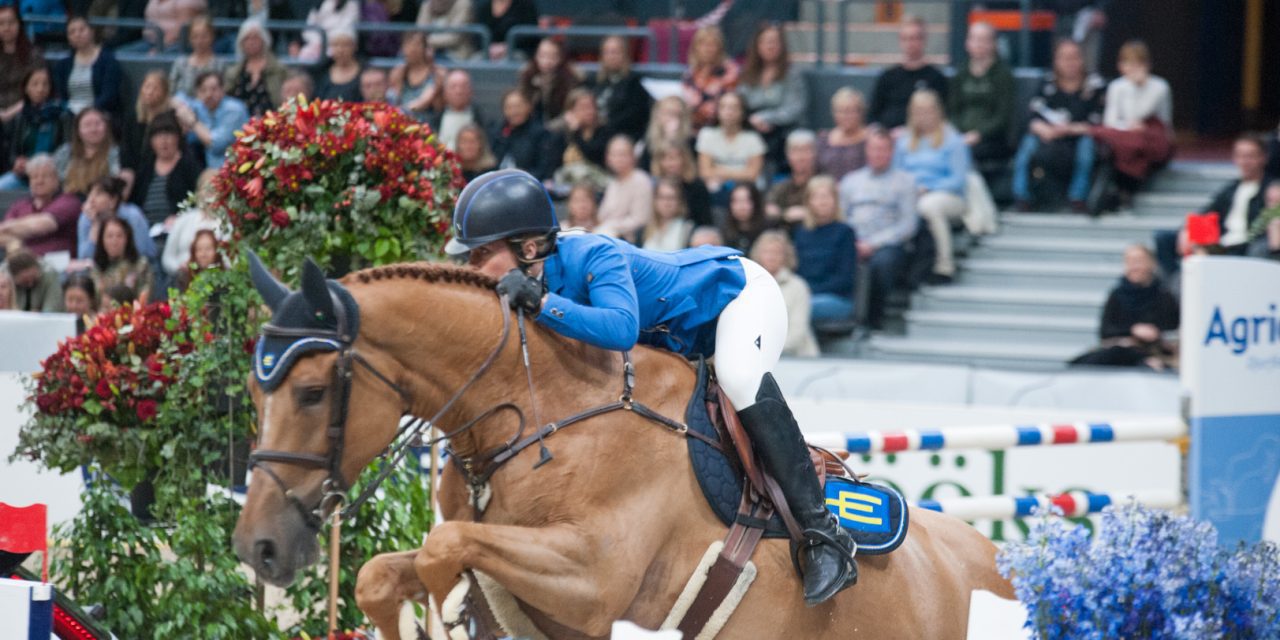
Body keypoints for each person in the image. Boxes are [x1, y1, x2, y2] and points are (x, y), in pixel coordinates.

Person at [445, 169, 859, 606]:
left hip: (738, 298)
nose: (472, 267)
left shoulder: (593, 254)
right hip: (682, 344)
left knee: (739, 376)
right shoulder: (532, 280)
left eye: (480, 254)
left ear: (527, 248)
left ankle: (824, 536)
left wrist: (542, 303)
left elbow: (622, 329)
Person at [1011, 38, 1106, 212]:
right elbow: (1032, 115)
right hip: (1049, 137)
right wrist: (1042, 128)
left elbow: (1099, 122)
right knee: (1028, 143)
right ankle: (1022, 196)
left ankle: (1078, 198)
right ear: (1056, 61)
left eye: (1074, 57)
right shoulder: (1048, 83)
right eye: (1064, 58)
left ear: (1082, 59)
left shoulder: (1095, 85)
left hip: (1078, 137)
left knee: (1087, 147)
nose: (1069, 63)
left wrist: (1069, 129)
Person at [839, 130, 918, 330]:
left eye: (883, 149)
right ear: (867, 150)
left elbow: (908, 225)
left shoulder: (906, 182)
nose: (878, 154)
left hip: (887, 244)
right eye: (874, 149)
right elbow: (841, 216)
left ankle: (872, 321)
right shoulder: (851, 181)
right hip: (852, 241)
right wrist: (852, 242)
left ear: (892, 151)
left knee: (882, 264)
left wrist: (873, 244)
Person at [894, 90, 970, 285]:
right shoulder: (904, 140)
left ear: (938, 112)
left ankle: (945, 266)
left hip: (949, 197)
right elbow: (896, 174)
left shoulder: (953, 140)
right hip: (910, 194)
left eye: (928, 111)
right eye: (919, 111)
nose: (924, 116)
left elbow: (958, 179)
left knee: (929, 206)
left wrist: (928, 188)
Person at [1070, 244, 1178, 370]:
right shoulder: (1117, 294)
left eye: (1138, 261)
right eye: (1129, 262)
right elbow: (1106, 331)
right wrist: (1132, 330)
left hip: (1152, 352)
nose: (1134, 267)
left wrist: (1154, 334)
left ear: (1152, 264)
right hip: (1119, 351)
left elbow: (1172, 331)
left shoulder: (1163, 295)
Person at [1092, 40, 1174, 199]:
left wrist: (1140, 87)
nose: (1133, 68)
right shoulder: (1117, 87)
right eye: (1128, 62)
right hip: (1124, 133)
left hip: (1149, 134)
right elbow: (1111, 121)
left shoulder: (1160, 87)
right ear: (1120, 65)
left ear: (1147, 64)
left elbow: (1164, 121)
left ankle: (1126, 189)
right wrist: (1129, 125)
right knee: (1120, 139)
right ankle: (1121, 190)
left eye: (1138, 63)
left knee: (1143, 141)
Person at [1181, 136, 1273, 256]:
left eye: (1250, 156)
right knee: (1165, 239)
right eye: (1240, 156)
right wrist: (1186, 230)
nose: (1245, 162)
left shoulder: (1271, 189)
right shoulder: (1231, 189)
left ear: (1263, 158)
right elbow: (1206, 212)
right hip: (1223, 243)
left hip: (1248, 245)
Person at [738, 24, 807, 172]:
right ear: (757, 45)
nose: (770, 46)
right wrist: (751, 120)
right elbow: (741, 102)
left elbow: (794, 108)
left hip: (782, 129)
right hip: (752, 126)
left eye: (774, 42)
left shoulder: (792, 74)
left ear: (782, 45)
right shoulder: (748, 73)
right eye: (765, 42)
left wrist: (767, 118)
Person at [949, 22, 1015, 170]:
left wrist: (979, 134)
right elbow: (952, 110)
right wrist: (959, 133)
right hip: (960, 136)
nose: (979, 44)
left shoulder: (1003, 75)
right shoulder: (961, 73)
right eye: (974, 39)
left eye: (984, 40)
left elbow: (1003, 116)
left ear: (993, 44)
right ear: (967, 43)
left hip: (993, 139)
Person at [792, 176, 857, 325]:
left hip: (836, 298)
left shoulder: (845, 232)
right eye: (816, 197)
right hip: (803, 295)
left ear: (835, 200)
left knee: (799, 307)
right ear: (808, 202)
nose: (822, 201)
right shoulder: (801, 232)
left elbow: (845, 278)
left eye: (827, 196)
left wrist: (808, 291)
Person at [868, 15, 948, 130]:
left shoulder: (936, 78)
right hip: (889, 141)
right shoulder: (887, 77)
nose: (910, 44)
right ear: (900, 41)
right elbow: (873, 116)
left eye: (914, 38)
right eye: (906, 38)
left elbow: (942, 117)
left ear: (924, 40)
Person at [750, 230, 819, 357]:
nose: (771, 257)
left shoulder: (798, 286)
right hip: (755, 358)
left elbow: (798, 331)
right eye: (767, 252)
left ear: (786, 256)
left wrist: (766, 351)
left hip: (795, 357)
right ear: (758, 255)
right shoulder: (748, 285)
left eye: (777, 252)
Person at [0, 67, 70, 190]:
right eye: (35, 84)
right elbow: (13, 152)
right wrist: (17, 162)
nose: (40, 89)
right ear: (26, 88)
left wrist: (44, 166)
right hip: (24, 175)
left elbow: (67, 150)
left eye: (45, 84)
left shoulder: (63, 115)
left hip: (54, 175)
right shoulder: (21, 117)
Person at [0, 155, 81, 256]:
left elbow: (42, 224)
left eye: (45, 176)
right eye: (34, 177)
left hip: (56, 264)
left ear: (56, 179)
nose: (39, 181)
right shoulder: (19, 205)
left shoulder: (68, 201)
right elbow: (2, 234)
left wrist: (8, 228)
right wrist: (15, 245)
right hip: (21, 265)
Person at [131, 113, 201, 228]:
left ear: (178, 137)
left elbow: (197, 200)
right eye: (158, 135)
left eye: (168, 134)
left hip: (179, 228)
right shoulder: (145, 169)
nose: (164, 141)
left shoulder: (189, 166)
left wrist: (180, 218)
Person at [696, 92, 765, 202]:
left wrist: (719, 171)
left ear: (742, 112)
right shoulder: (707, 134)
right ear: (718, 110)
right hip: (716, 187)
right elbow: (705, 172)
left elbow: (753, 174)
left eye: (734, 107)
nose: (729, 112)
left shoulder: (753, 138)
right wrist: (741, 172)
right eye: (724, 107)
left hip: (746, 187)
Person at [53, 16, 123, 118]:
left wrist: (88, 112)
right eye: (72, 32)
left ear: (92, 32)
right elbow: (62, 95)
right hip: (71, 114)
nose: (77, 34)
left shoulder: (108, 60)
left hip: (100, 113)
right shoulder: (63, 65)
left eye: (82, 30)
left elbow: (109, 95)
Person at [175, 71, 249, 169]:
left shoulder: (234, 109)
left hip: (236, 167)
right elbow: (175, 100)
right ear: (197, 93)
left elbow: (216, 144)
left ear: (223, 90)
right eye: (203, 90)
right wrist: (182, 113)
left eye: (214, 89)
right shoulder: (200, 106)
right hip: (210, 167)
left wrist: (193, 122)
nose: (208, 94)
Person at [77, 175, 157, 261]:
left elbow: (140, 252)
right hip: (103, 270)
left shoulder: (132, 216)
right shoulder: (86, 218)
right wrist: (95, 225)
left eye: (98, 194)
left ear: (113, 200)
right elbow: (84, 257)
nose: (90, 200)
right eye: (90, 194)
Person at [587, 35, 651, 141]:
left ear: (625, 55)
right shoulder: (592, 81)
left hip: (622, 138)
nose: (611, 56)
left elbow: (632, 118)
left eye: (615, 52)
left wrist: (601, 124)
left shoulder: (636, 84)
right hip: (594, 134)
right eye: (607, 52)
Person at [546, 88, 610, 190]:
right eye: (583, 108)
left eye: (592, 107)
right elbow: (552, 164)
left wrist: (576, 133)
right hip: (566, 185)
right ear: (570, 112)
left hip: (597, 184)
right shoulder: (559, 132)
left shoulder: (604, 131)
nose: (589, 111)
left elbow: (594, 156)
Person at [223, 19, 286, 118]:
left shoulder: (279, 69)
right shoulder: (233, 72)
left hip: (271, 122)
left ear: (264, 40)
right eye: (247, 38)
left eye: (255, 38)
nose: (251, 42)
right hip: (238, 123)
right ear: (241, 43)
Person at [53, 107, 122, 196]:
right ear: (78, 131)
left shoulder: (115, 153)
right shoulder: (65, 152)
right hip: (66, 201)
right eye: (87, 125)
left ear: (106, 127)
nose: (93, 129)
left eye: (98, 124)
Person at [595, 135, 652, 242]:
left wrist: (610, 226)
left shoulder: (641, 180)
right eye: (614, 155)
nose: (618, 159)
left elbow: (640, 219)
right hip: (605, 231)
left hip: (628, 238)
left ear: (632, 156)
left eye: (622, 154)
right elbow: (601, 216)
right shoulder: (612, 182)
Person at [682, 26, 739, 129]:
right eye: (703, 44)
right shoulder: (690, 73)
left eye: (712, 44)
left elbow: (727, 105)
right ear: (695, 48)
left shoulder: (730, 71)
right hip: (692, 127)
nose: (707, 49)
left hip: (719, 128)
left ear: (720, 48)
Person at [489, 88, 551, 180]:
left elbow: (543, 169)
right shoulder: (497, 132)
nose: (514, 112)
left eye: (518, 106)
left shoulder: (541, 134)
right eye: (509, 107)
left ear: (528, 107)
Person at [121, 71, 177, 173]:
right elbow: (126, 149)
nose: (150, 92)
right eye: (147, 87)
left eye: (155, 88)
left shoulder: (171, 119)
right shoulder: (133, 116)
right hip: (133, 171)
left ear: (164, 92)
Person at [516, 38, 580, 123]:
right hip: (531, 128)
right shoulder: (527, 76)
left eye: (552, 56)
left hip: (559, 127)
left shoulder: (570, 79)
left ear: (560, 58)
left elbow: (569, 112)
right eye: (542, 55)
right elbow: (522, 104)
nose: (547, 61)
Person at [92, 215, 152, 302]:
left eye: (119, 236)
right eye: (109, 236)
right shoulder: (96, 269)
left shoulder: (140, 265)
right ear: (102, 240)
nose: (114, 241)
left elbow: (144, 297)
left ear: (127, 239)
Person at [766, 129, 819, 227]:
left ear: (815, 154)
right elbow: (769, 209)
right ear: (788, 155)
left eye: (806, 150)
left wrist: (809, 213)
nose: (800, 157)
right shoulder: (781, 186)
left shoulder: (823, 184)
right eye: (795, 151)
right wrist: (786, 214)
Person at [652, 144, 713, 228]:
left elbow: (704, 221)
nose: (669, 164)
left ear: (684, 160)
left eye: (674, 158)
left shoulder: (697, 186)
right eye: (664, 159)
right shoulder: (653, 185)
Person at [815, 88, 869, 180]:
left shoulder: (870, 138)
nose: (845, 116)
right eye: (840, 111)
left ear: (861, 112)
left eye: (851, 111)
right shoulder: (823, 137)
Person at [388, 32, 445, 118]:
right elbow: (394, 99)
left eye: (416, 45)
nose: (411, 49)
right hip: (402, 121)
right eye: (407, 45)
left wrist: (403, 110)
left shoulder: (437, 73)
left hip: (427, 122)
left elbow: (425, 101)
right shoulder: (398, 72)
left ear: (425, 48)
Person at [427, 69, 486, 150]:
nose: (459, 91)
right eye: (453, 87)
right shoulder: (433, 121)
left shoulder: (482, 120)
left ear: (471, 91)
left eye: (463, 86)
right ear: (445, 92)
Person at [0, 7, 43, 114]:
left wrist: (13, 111)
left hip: (25, 111)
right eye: (1, 23)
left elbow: (40, 88)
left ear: (19, 25)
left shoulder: (34, 54)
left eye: (11, 22)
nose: (6, 27)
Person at [168, 14, 223, 98]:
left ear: (212, 36)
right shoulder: (180, 63)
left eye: (204, 36)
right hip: (183, 107)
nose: (199, 41)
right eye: (195, 37)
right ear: (190, 38)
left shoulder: (219, 64)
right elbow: (171, 91)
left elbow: (222, 92)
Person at [639, 96, 694, 172]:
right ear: (658, 115)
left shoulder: (690, 142)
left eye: (677, 114)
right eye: (668, 113)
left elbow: (692, 174)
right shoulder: (649, 143)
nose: (672, 118)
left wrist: (676, 141)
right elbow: (645, 171)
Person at [642, 178, 694, 252]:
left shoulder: (688, 229)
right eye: (662, 197)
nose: (666, 203)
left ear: (680, 201)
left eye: (671, 198)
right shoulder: (644, 229)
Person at [720, 182, 771, 254]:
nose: (741, 206)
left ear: (756, 203)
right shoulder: (724, 231)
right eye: (736, 201)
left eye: (747, 201)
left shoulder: (768, 230)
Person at [315, 29, 364, 103]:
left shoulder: (365, 71)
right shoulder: (322, 71)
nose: (340, 50)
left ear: (355, 46)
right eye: (335, 45)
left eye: (346, 45)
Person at [142, 0, 208, 54]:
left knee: (149, 59)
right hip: (149, 41)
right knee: (132, 51)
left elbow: (182, 29)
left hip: (176, 44)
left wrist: (159, 47)